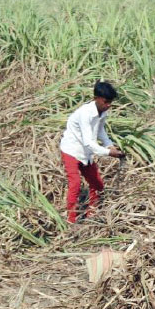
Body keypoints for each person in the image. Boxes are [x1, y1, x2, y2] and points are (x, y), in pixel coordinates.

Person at [59, 81, 125, 224]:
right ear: (96, 98)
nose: (108, 105)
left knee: (97, 184)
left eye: (110, 102)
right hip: (72, 150)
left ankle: (91, 216)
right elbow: (89, 142)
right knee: (75, 184)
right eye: (106, 102)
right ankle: (71, 221)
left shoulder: (103, 111)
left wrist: (109, 145)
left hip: (86, 153)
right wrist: (108, 153)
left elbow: (101, 131)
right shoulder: (85, 114)